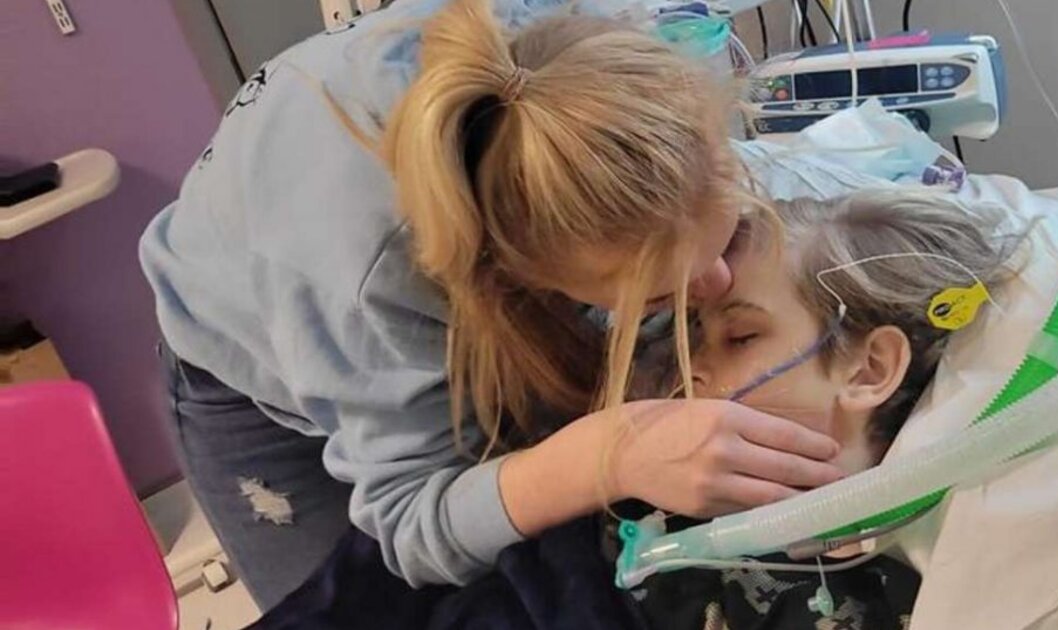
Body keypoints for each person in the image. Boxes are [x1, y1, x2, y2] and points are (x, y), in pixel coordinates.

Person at [139, 0, 844, 610]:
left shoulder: (598, 53)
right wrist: (610, 454)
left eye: (727, 234)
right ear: (510, 273)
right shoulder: (365, 272)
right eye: (658, 296)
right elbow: (412, 522)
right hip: (252, 355)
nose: (717, 288)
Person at [629, 189, 1027, 629]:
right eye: (694, 333)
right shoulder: (640, 478)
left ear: (870, 370)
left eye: (740, 337)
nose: (691, 368)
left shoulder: (870, 606)